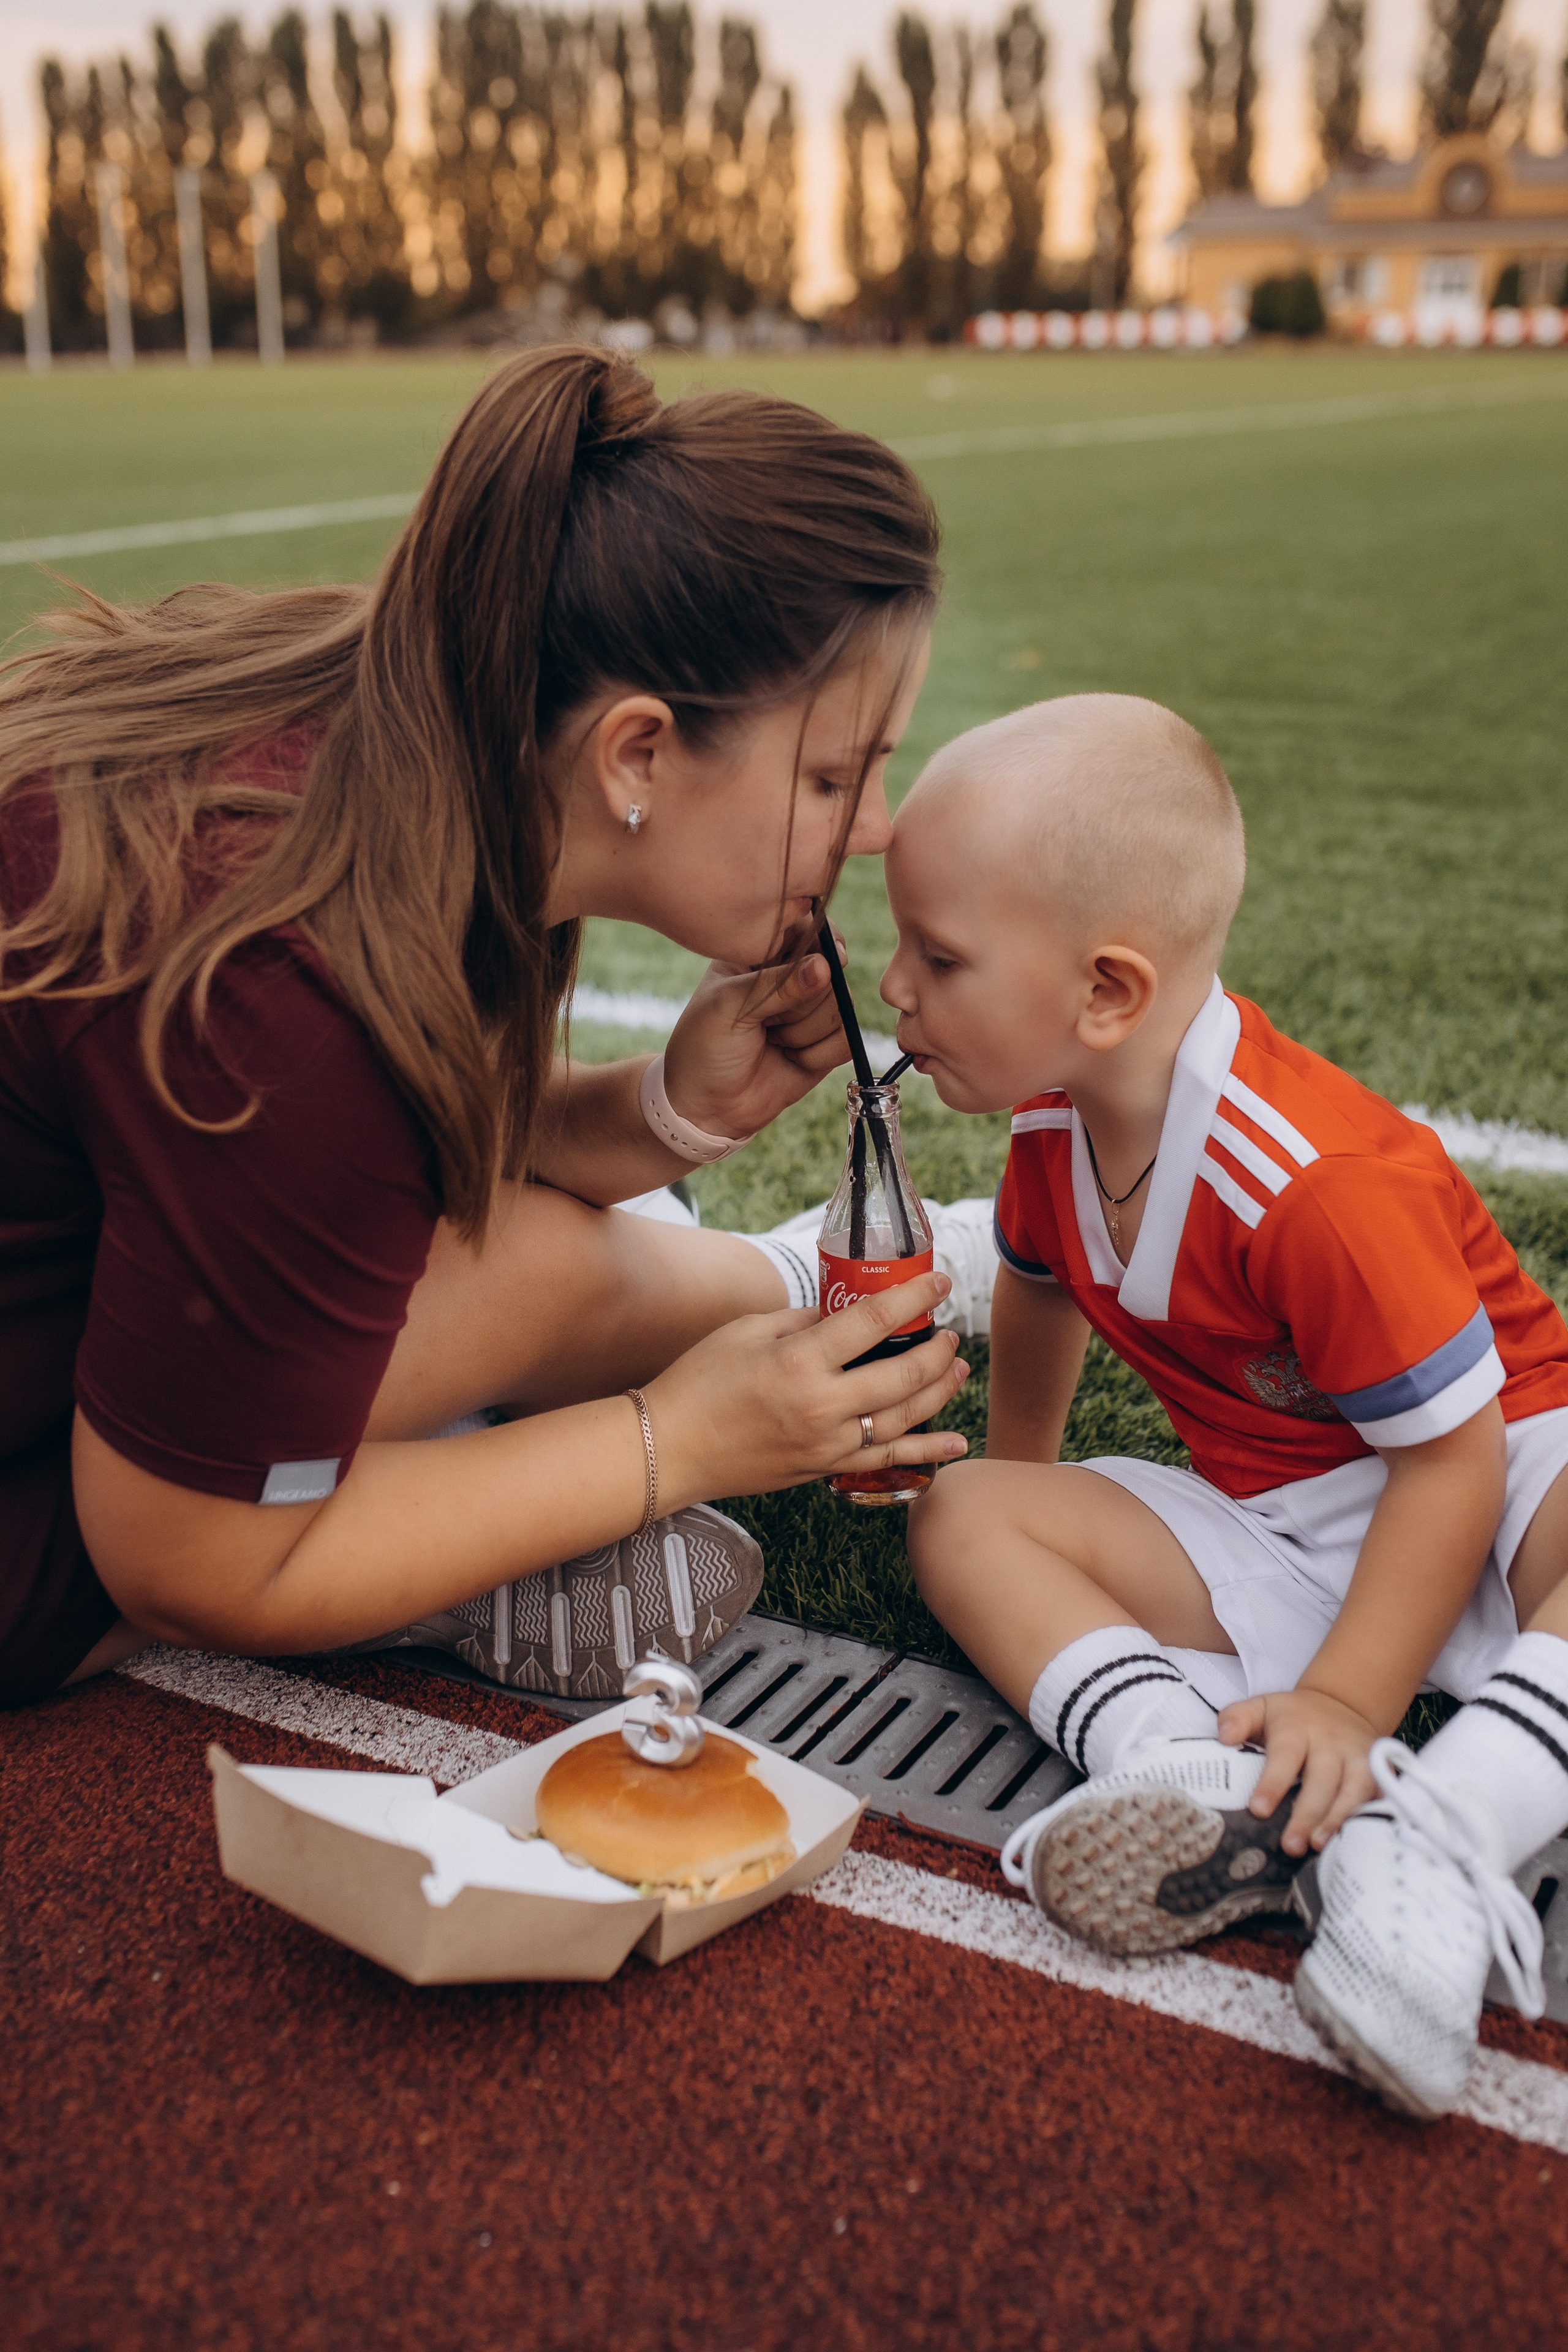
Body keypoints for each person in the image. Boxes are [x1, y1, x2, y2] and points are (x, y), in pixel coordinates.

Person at [0, 345, 978, 1714]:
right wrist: (676, 1439)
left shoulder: (407, 710)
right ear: (635, 755)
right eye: (834, 773)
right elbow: (184, 1557)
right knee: (516, 1287)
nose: (871, 828)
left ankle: (815, 1298)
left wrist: (656, 1117)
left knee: (526, 1257)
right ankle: (450, 1553)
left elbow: (364, 1148)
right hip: (68, 1525)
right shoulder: (285, 981)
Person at [886, 692, 1568, 2120]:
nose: (893, 988)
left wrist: (1341, 1703)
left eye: (936, 957)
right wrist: (1027, 1481)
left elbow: (1450, 1456)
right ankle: (1181, 1769)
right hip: (1284, 1529)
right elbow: (1038, 1290)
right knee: (959, 1510)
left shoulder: (1307, 1178)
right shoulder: (1052, 1126)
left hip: (1498, 1493)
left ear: (1107, 992)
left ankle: (1436, 1842)